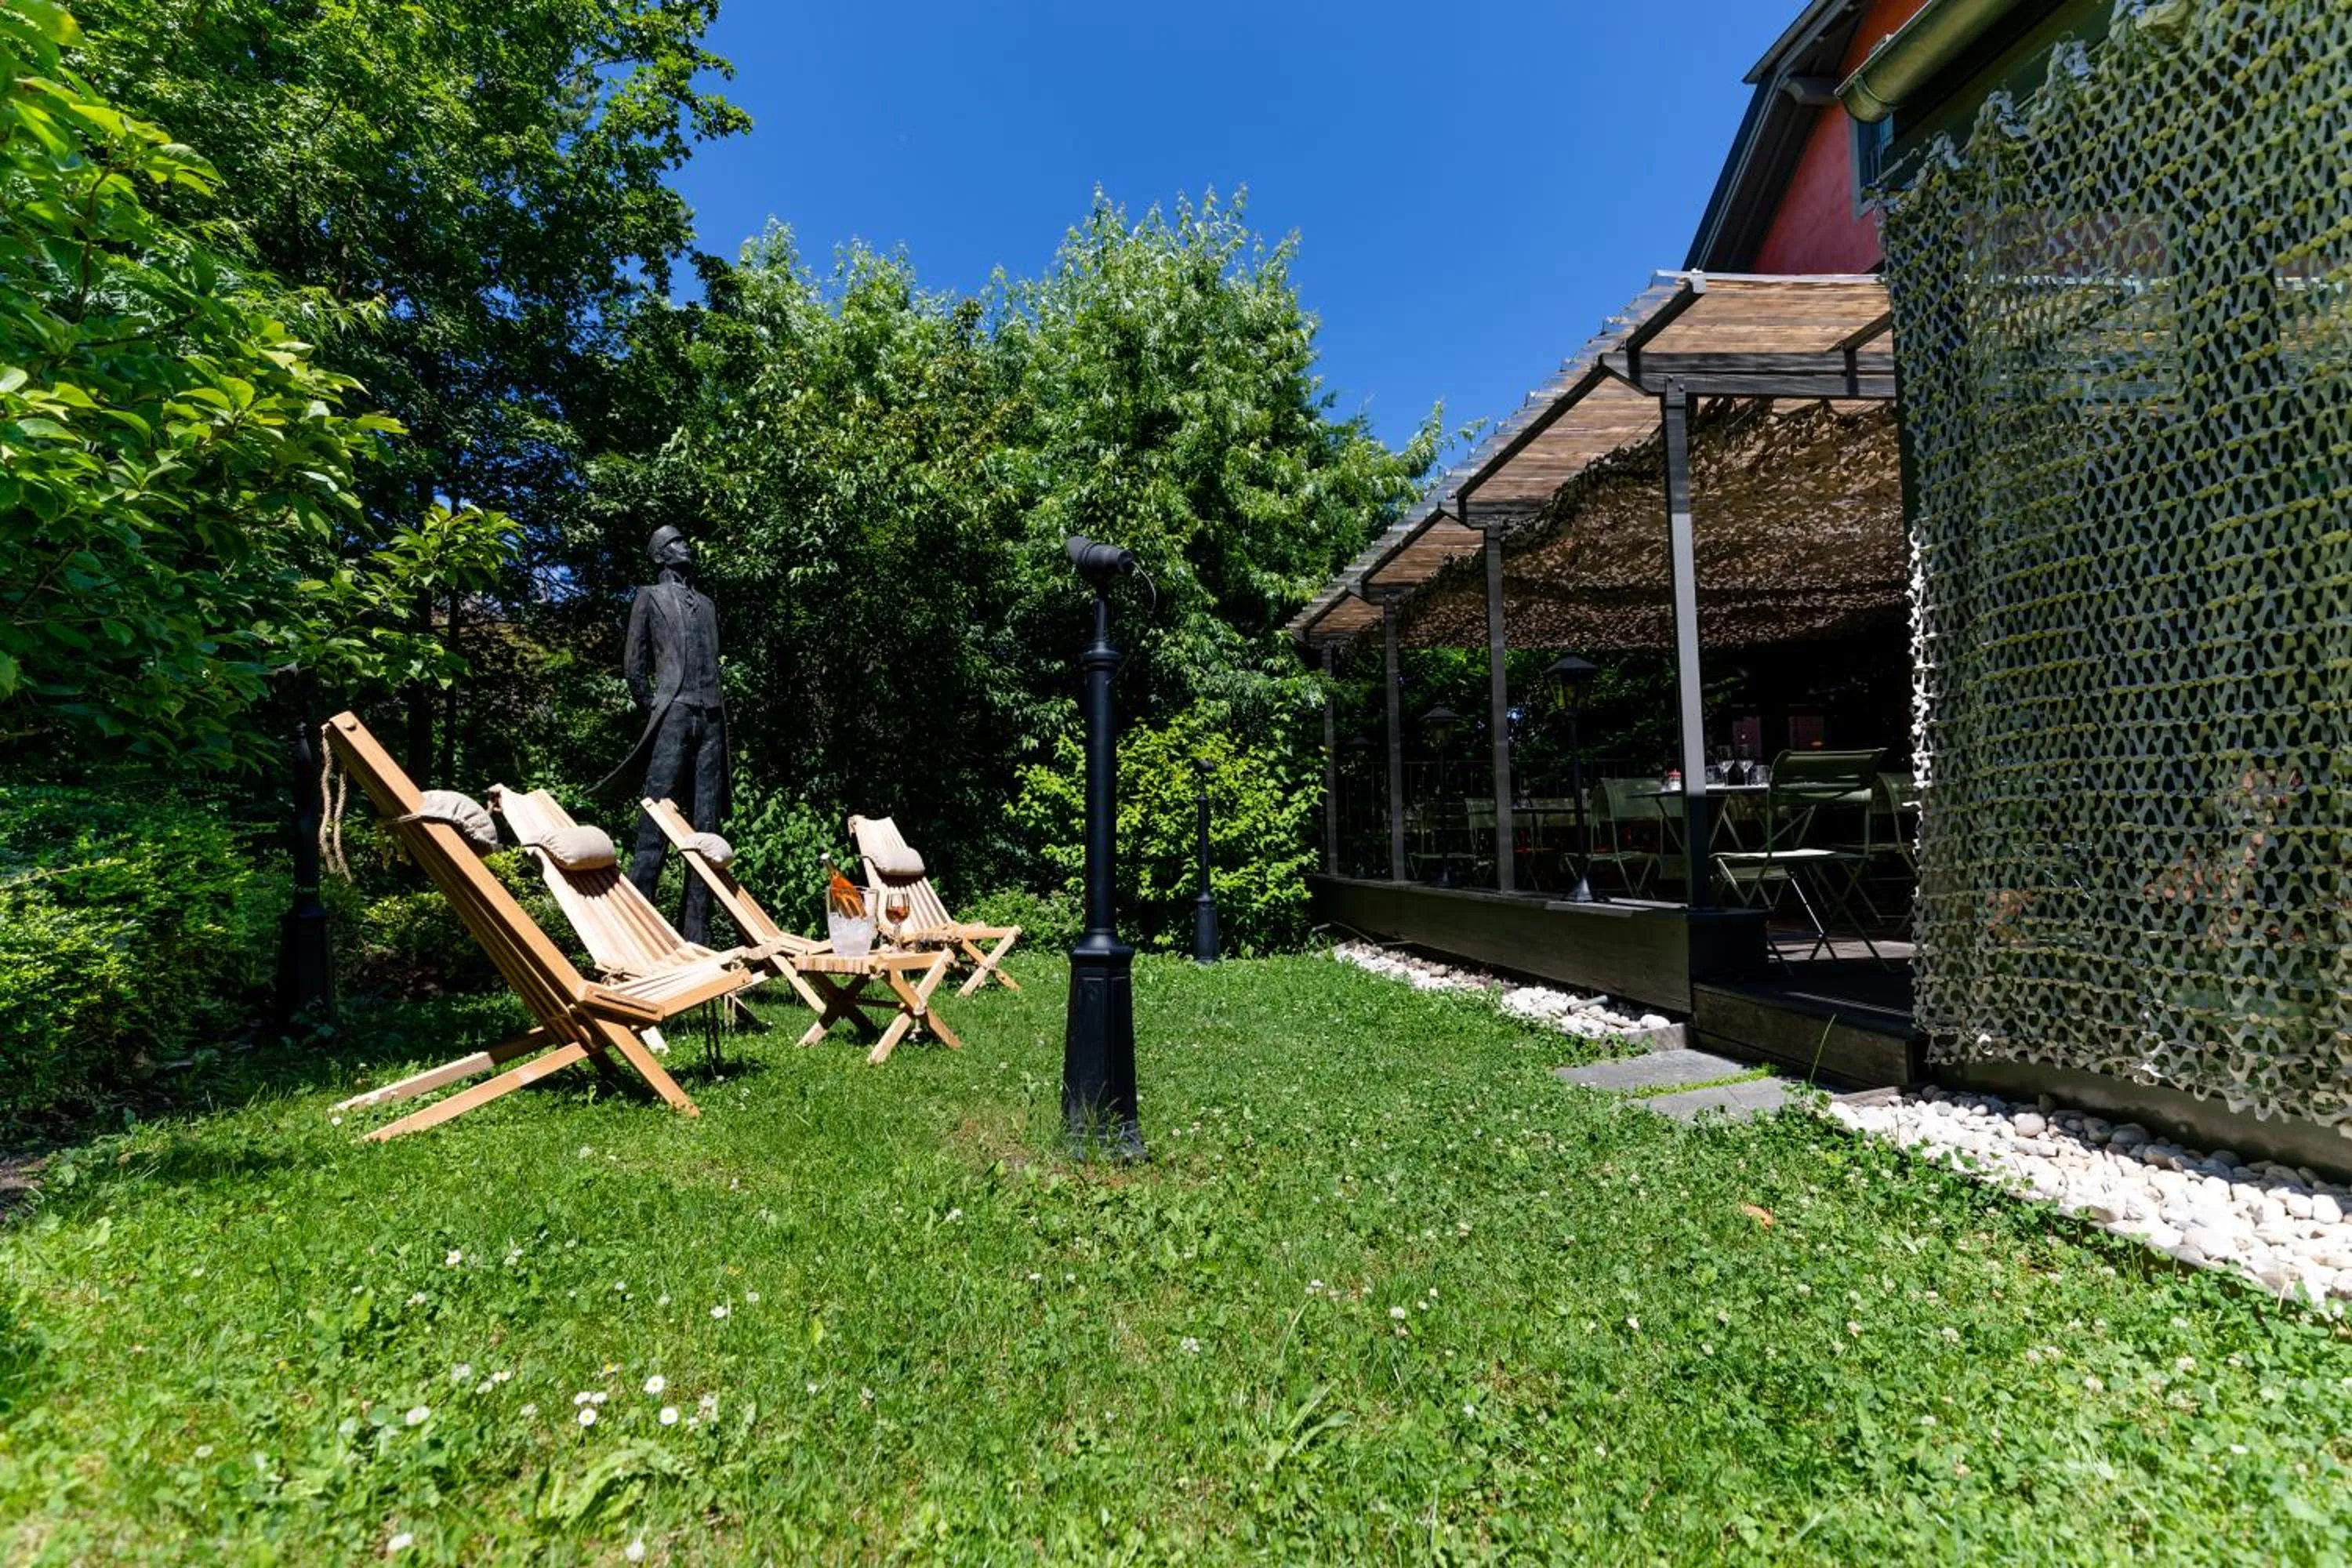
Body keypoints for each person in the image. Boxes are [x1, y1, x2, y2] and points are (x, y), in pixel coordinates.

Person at [595, 524, 729, 942]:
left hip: (711, 719)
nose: (686, 547)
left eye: (685, 541)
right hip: (673, 713)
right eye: (675, 543)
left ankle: (697, 936)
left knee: (707, 830)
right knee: (654, 820)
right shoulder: (648, 598)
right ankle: (637, 933)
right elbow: (633, 665)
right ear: (659, 556)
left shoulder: (706, 605)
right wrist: (654, 705)